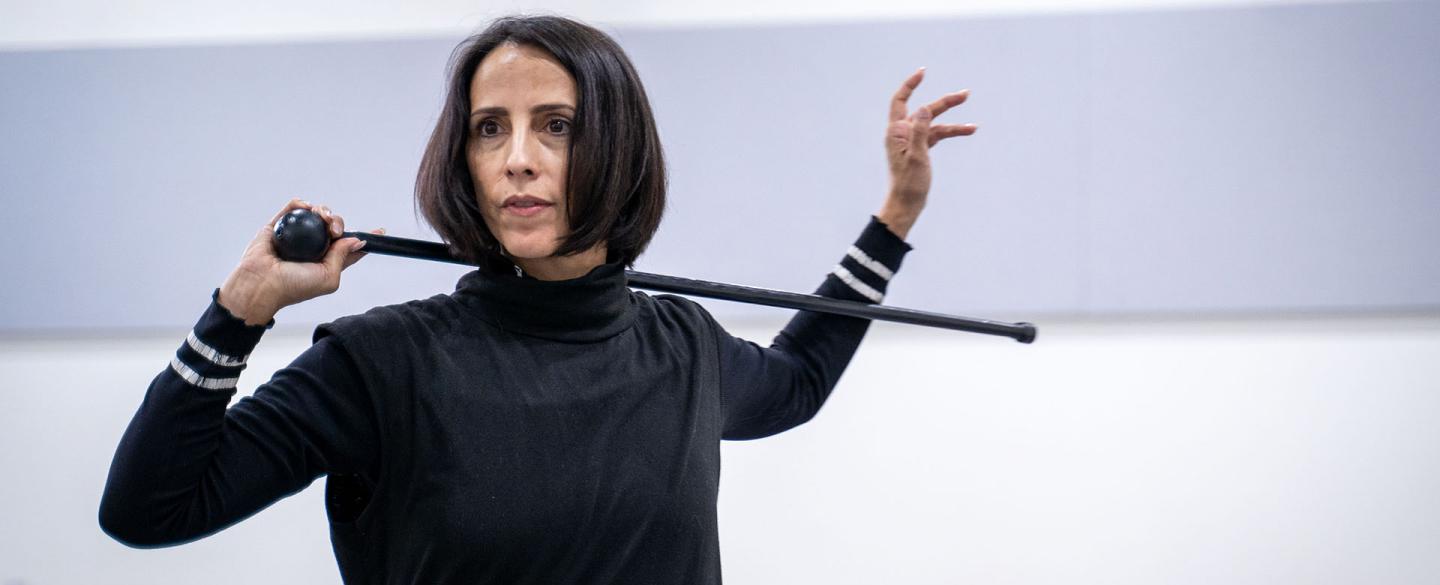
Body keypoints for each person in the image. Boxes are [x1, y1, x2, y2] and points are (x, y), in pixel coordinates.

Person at [98, 15, 976, 584]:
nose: (518, 156)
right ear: (465, 160)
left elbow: (794, 383)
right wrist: (237, 314)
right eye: (491, 129)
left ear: (618, 145)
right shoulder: (380, 363)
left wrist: (895, 215)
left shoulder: (682, 347)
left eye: (556, 124)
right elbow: (148, 510)